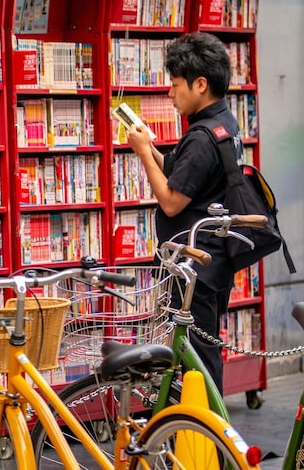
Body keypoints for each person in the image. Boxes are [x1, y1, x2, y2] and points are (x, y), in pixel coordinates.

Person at [126, 31, 243, 394]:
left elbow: (173, 200)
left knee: (199, 358)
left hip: (196, 266)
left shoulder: (201, 137)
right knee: (199, 353)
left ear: (200, 84)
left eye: (176, 85)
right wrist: (151, 147)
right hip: (213, 259)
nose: (170, 93)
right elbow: (186, 178)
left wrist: (145, 154)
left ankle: (206, 440)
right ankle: (197, 435)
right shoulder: (223, 123)